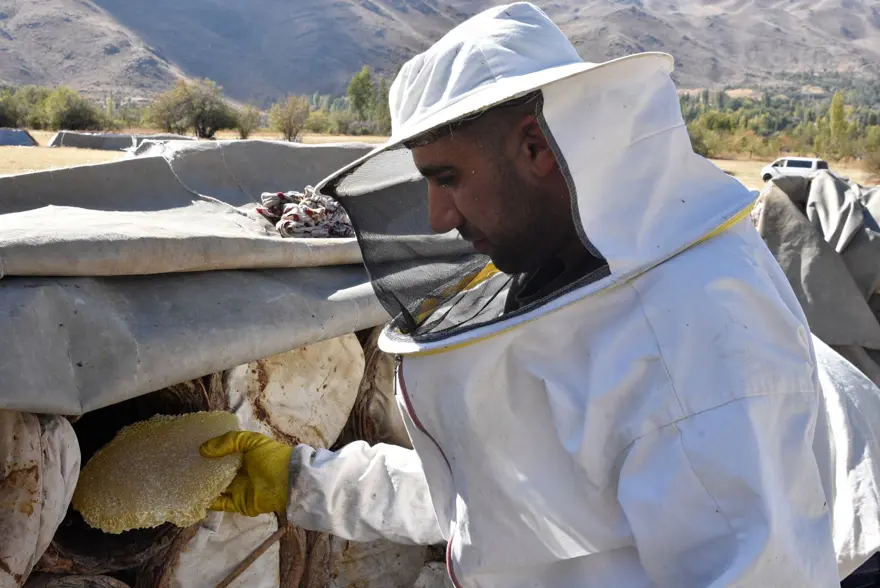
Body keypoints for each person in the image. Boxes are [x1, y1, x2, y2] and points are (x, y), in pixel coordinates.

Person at [202, 4, 880, 586]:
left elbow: (755, 570)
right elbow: (511, 488)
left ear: (536, 147)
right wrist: (299, 481)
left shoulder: (687, 338)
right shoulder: (578, 266)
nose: (437, 215)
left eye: (448, 178)